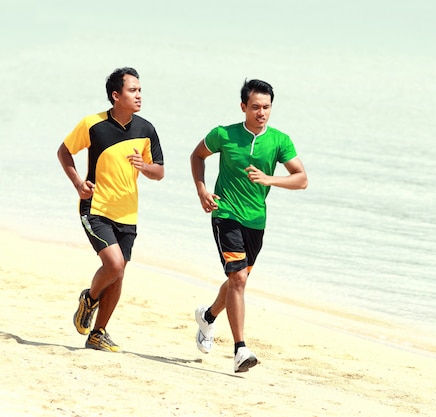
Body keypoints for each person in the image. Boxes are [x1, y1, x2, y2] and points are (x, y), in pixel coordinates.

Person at [190, 79, 308, 372]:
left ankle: (208, 316)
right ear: (243, 106)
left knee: (236, 280)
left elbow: (301, 179)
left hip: (256, 220)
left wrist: (271, 179)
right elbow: (197, 156)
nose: (261, 112)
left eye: (266, 107)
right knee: (239, 279)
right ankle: (240, 349)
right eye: (255, 107)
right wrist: (202, 190)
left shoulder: (280, 141)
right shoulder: (224, 134)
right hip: (226, 213)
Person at [57, 67, 165, 352]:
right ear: (116, 96)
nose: (139, 95)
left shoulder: (146, 129)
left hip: (128, 212)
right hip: (96, 207)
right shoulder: (93, 124)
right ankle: (89, 299)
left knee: (119, 274)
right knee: (114, 264)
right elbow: (64, 151)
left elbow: (159, 172)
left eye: (140, 90)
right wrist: (78, 182)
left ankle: (98, 333)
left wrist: (145, 167)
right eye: (133, 90)